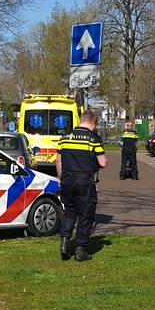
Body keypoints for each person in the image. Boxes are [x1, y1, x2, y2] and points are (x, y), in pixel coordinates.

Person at [56, 111, 108, 261]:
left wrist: (61, 178)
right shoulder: (93, 139)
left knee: (69, 212)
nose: (95, 127)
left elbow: (58, 161)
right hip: (84, 182)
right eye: (96, 125)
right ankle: (80, 250)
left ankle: (65, 243)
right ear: (92, 122)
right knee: (86, 215)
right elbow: (102, 163)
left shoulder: (65, 137)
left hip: (66, 181)